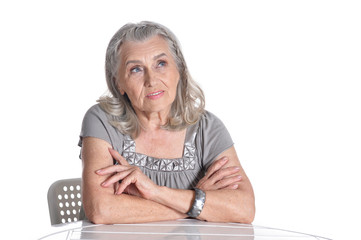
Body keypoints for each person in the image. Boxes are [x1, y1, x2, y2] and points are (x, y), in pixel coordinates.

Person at [79, 21, 255, 224]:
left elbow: (244, 209)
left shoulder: (208, 128)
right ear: (119, 83)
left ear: (179, 70)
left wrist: (156, 192)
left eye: (161, 64)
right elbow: (101, 210)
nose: (151, 80)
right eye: (136, 69)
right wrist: (196, 202)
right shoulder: (102, 121)